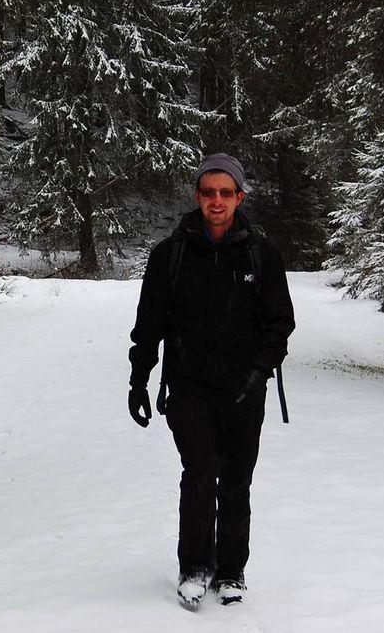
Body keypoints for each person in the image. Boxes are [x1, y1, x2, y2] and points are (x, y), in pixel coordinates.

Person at [128, 152, 295, 611]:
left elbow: (280, 323)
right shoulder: (170, 255)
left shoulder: (262, 253)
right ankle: (195, 567)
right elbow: (149, 323)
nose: (216, 201)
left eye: (225, 193)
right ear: (196, 196)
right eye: (208, 192)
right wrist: (138, 379)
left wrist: (260, 372)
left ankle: (231, 570)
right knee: (200, 472)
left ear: (239, 196)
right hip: (189, 384)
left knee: (237, 479)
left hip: (244, 385)